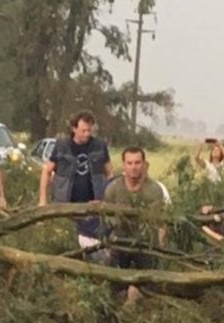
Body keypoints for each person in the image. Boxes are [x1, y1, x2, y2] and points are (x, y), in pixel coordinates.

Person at [38, 111, 114, 249]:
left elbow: (110, 173)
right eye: (83, 130)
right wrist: (43, 201)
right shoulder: (62, 145)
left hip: (92, 207)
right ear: (74, 129)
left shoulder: (99, 145)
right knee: (64, 242)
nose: (87, 134)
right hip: (65, 205)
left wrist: (107, 200)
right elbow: (46, 171)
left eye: (89, 130)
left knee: (92, 243)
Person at [103, 147, 169, 304]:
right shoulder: (113, 189)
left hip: (145, 244)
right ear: (124, 165)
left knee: (148, 287)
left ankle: (138, 295)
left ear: (144, 164)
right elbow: (107, 220)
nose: (133, 167)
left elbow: (160, 222)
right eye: (130, 163)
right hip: (120, 243)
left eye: (137, 163)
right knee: (114, 285)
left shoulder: (154, 190)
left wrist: (160, 246)